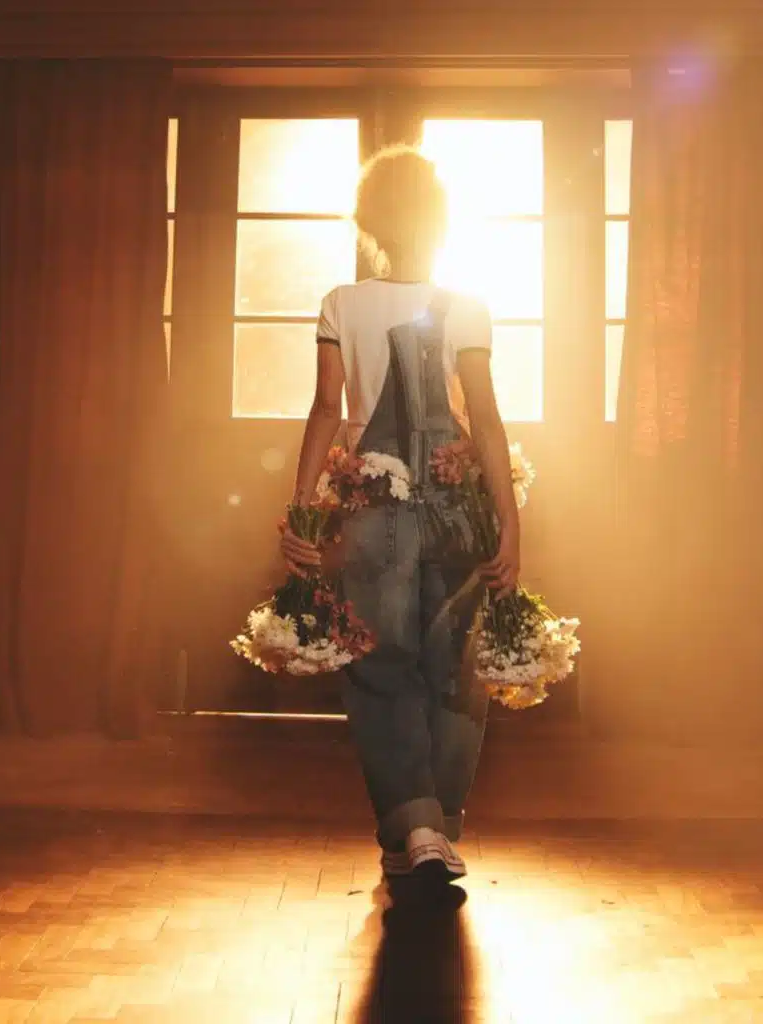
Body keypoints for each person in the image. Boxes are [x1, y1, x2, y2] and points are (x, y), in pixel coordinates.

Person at [279, 145, 520, 888]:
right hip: (458, 512)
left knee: (381, 664)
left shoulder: (341, 304)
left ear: (369, 222)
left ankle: (413, 831)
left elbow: (326, 410)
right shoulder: (466, 307)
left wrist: (303, 510)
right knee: (454, 668)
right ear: (440, 219)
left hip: (373, 508)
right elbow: (485, 419)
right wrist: (511, 523)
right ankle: (435, 830)